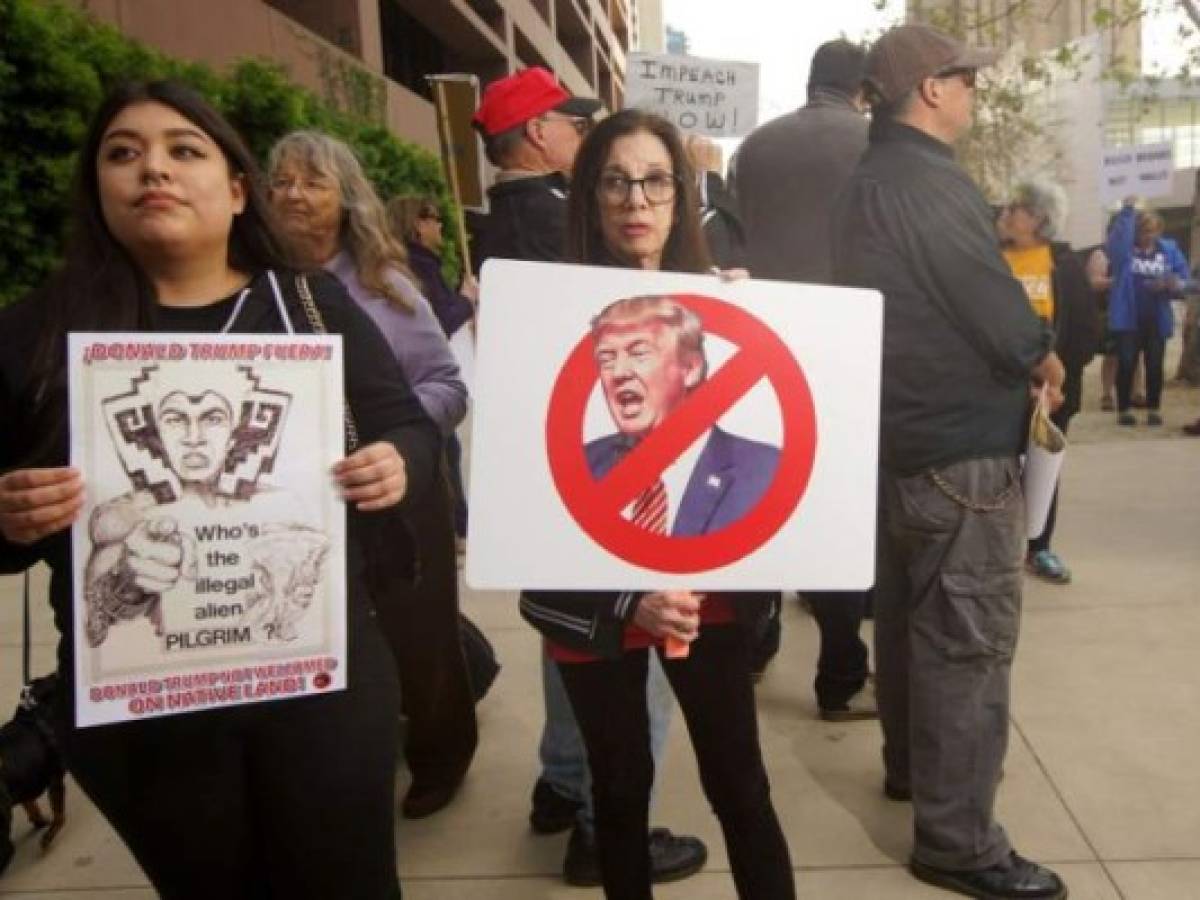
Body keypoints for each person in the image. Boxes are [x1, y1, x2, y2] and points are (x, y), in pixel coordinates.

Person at [0, 80, 440, 898]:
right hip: (142, 709)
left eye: (183, 150)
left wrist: (396, 461)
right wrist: (10, 513)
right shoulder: (38, 332)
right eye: (123, 154)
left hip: (319, 684)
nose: (152, 170)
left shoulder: (309, 307)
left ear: (237, 190)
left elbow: (409, 424)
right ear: (98, 189)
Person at [521, 107, 795, 900]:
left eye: (653, 180)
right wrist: (628, 597)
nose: (634, 199)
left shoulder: (724, 308)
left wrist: (758, 325)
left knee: (741, 784)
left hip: (706, 598)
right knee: (619, 788)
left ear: (681, 194)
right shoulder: (540, 313)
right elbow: (531, 499)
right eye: (613, 180)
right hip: (595, 595)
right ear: (588, 195)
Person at [832, 25, 1069, 900]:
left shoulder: (869, 179)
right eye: (966, 80)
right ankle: (960, 841)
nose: (975, 92)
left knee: (907, 629)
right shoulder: (928, 181)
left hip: (900, 445)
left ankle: (912, 774)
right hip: (960, 454)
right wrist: (1042, 349)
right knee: (966, 648)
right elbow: (1000, 316)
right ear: (931, 88)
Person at [471, 67, 705, 885]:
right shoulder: (552, 230)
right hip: (610, 512)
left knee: (576, 650)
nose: (631, 198)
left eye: (652, 182)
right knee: (624, 686)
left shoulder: (501, 221)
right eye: (576, 128)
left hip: (581, 518)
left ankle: (567, 788)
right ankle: (602, 827)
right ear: (540, 135)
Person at [266, 130, 476, 819]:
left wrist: (394, 442)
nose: (294, 194)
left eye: (313, 182)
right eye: (282, 182)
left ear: (347, 196)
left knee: (421, 637)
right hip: (295, 504)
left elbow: (448, 383)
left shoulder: (387, 286)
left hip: (398, 494)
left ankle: (442, 755)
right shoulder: (250, 287)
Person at [734, 37, 878, 719]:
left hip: (765, 347)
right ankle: (841, 671)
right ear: (864, 88)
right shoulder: (880, 142)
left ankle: (755, 645)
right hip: (848, 350)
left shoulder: (755, 147)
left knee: (764, 500)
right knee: (835, 517)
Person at [997, 178, 1098, 584]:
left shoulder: (1064, 265)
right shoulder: (991, 259)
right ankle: (999, 549)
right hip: (999, 389)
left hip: (1051, 393)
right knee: (997, 472)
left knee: (1043, 470)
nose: (1004, 213)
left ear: (1038, 219)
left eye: (1014, 208)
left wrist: (1057, 379)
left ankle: (1039, 547)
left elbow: (1086, 332)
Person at [387, 194, 475, 545]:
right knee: (441, 453)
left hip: (410, 379)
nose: (439, 226)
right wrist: (467, 300)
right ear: (417, 223)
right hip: (422, 379)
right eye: (434, 218)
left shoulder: (403, 265)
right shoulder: (418, 267)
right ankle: (454, 526)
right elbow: (438, 320)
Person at [1106, 199, 1190, 427]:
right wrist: (1127, 211)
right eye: (1143, 231)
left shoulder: (1168, 250)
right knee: (1126, 363)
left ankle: (1154, 408)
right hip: (1128, 317)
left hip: (1157, 316)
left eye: (1152, 231)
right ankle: (1124, 409)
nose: (1148, 236)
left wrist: (1173, 284)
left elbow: (1185, 277)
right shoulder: (1124, 252)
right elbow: (1116, 241)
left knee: (1155, 364)